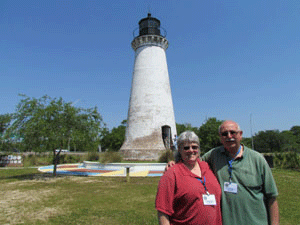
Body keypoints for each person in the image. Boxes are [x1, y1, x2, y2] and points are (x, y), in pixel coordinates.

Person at [166, 120, 279, 225]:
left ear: (240, 134)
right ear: (220, 137)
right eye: (224, 134)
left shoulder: (257, 159)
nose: (229, 136)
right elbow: (192, 161)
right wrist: (176, 163)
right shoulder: (214, 155)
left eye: (233, 132)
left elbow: (272, 197)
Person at [156, 131, 222, 225]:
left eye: (194, 147)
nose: (191, 150)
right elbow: (163, 212)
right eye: (186, 148)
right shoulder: (171, 174)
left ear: (199, 149)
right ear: (179, 149)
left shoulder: (207, 167)